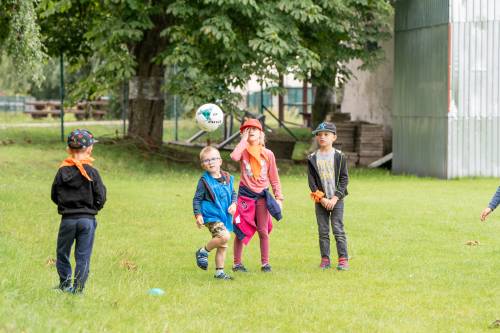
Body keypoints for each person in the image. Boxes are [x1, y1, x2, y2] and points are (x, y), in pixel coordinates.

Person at [51, 129, 107, 293]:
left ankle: (64, 284)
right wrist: (93, 209)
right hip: (87, 221)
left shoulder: (62, 171)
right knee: (83, 256)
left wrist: (65, 207)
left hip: (67, 220)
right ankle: (78, 289)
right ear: (89, 149)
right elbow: (101, 195)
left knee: (63, 253)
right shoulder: (92, 172)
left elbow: (54, 194)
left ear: (69, 150)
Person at [230, 118, 283, 273]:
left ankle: (265, 263)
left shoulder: (268, 154)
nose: (251, 131)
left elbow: (274, 178)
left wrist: (279, 197)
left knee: (263, 230)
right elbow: (233, 157)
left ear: (261, 134)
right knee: (241, 229)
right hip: (245, 196)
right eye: (247, 130)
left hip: (261, 196)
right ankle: (237, 263)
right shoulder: (243, 152)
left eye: (254, 129)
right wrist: (243, 141)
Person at [307, 122, 349, 270]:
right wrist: (322, 199)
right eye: (319, 134)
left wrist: (335, 198)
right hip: (321, 201)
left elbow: (344, 179)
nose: (322, 137)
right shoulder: (312, 158)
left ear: (334, 137)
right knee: (323, 230)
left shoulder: (340, 157)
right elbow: (312, 183)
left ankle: (343, 259)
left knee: (338, 229)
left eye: (326, 134)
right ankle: (325, 259)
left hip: (337, 200)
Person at [193, 146, 237, 280]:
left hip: (224, 215)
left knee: (222, 245)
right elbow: (197, 199)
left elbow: (234, 193)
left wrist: (234, 204)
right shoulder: (204, 181)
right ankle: (203, 251)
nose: (211, 162)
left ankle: (219, 273)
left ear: (220, 161)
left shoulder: (228, 178)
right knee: (224, 237)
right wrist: (198, 215)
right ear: (203, 165)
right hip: (211, 216)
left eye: (213, 159)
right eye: (206, 160)